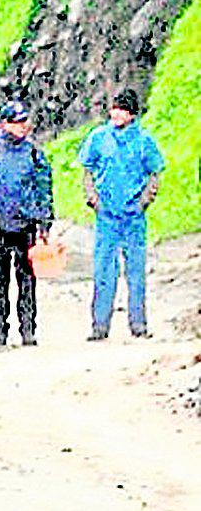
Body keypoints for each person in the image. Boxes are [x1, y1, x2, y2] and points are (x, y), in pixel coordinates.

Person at [79, 87, 165, 340]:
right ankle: (99, 326)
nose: (116, 114)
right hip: (106, 215)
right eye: (114, 108)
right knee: (103, 271)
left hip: (133, 216)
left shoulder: (144, 140)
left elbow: (154, 173)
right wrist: (93, 199)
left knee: (136, 272)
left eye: (123, 110)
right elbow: (87, 170)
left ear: (132, 114)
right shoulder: (98, 137)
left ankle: (138, 325)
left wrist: (144, 201)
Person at [0, 100, 53, 347]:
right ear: (4, 123)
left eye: (24, 121)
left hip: (25, 223)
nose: (22, 127)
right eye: (16, 122)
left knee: (27, 281)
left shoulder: (33, 151)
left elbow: (44, 185)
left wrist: (45, 221)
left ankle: (28, 329)